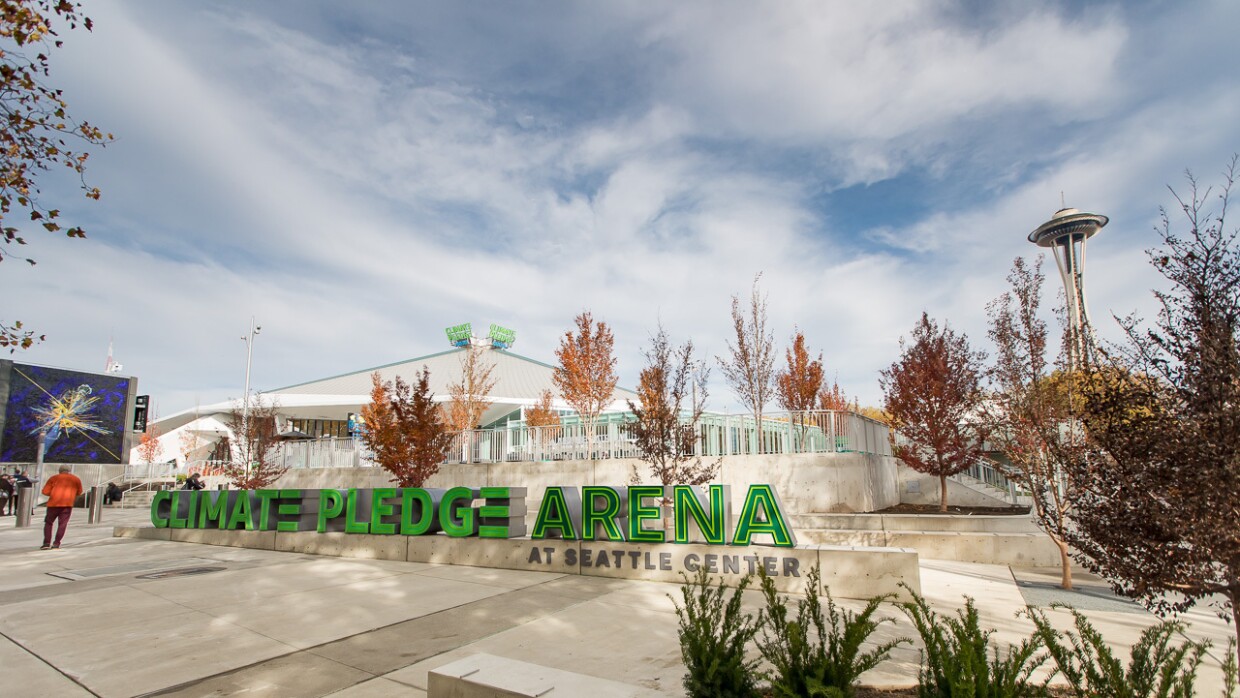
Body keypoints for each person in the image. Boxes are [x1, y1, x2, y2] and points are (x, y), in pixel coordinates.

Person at [40, 465, 83, 550]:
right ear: (69, 471)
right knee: (62, 524)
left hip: (53, 504)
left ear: (59, 471)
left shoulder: (53, 478)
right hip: (67, 504)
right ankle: (56, 543)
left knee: (48, 523)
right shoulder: (76, 479)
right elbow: (79, 492)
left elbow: (45, 491)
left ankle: (46, 543)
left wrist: (53, 493)